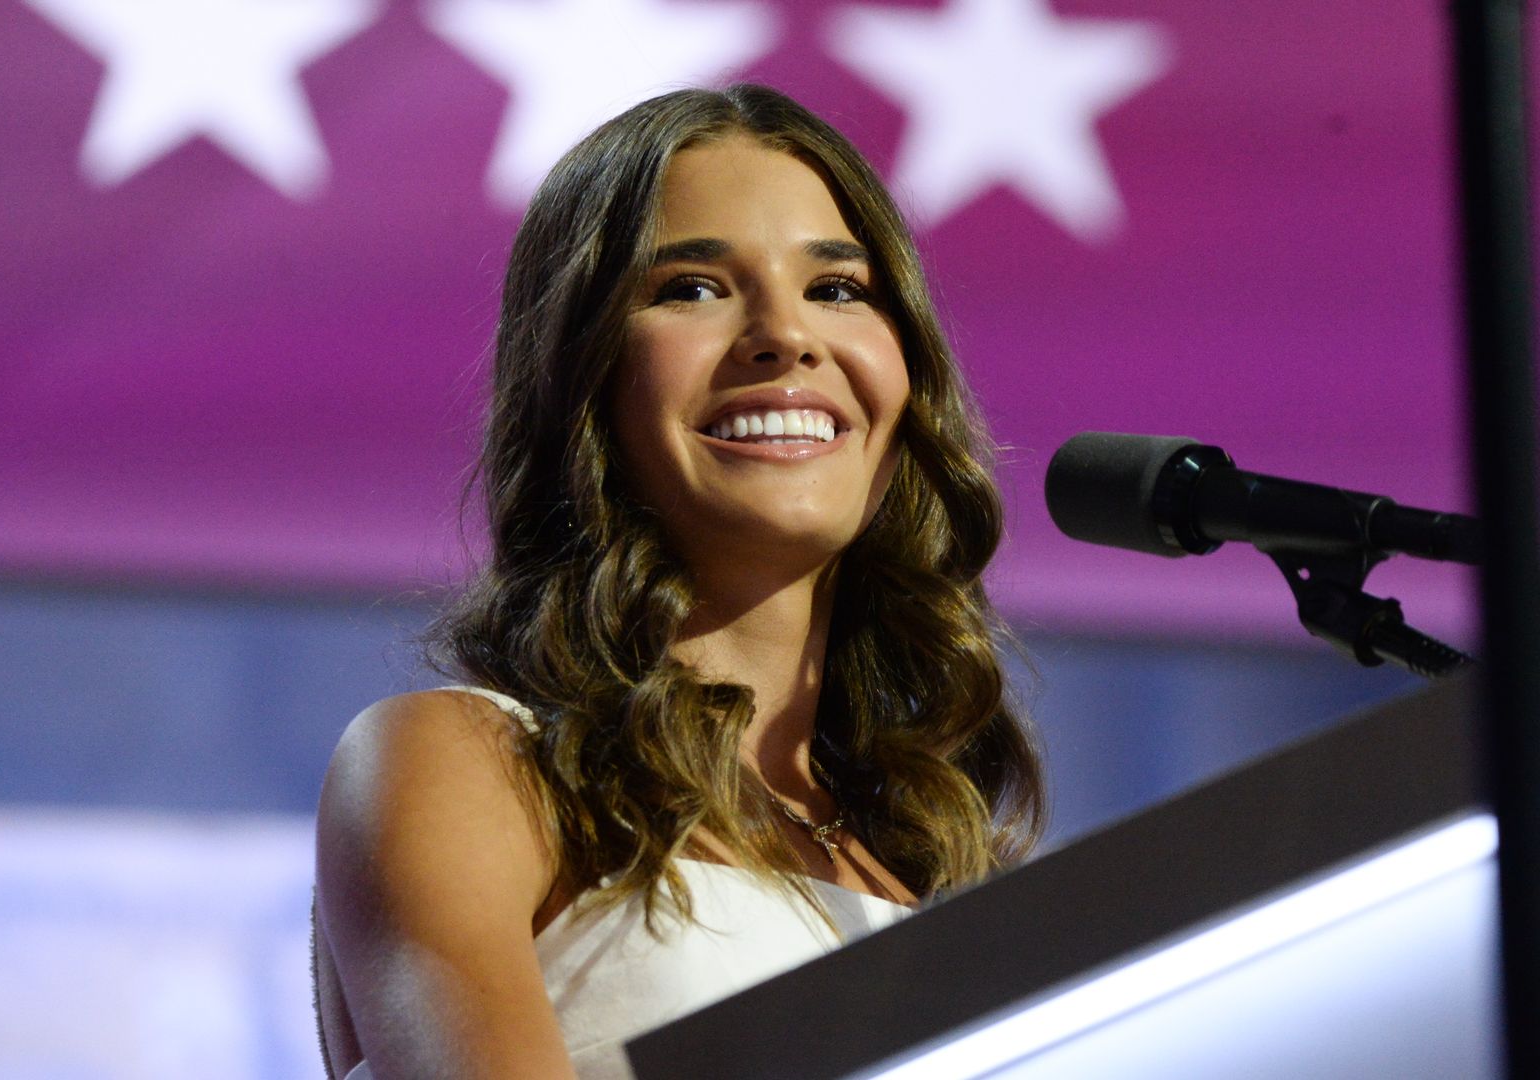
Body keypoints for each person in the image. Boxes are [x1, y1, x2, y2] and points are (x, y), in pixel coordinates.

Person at [312, 84, 1046, 1079]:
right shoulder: (471, 767)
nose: (785, 337)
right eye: (692, 288)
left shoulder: (937, 858)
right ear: (584, 376)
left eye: (838, 289)